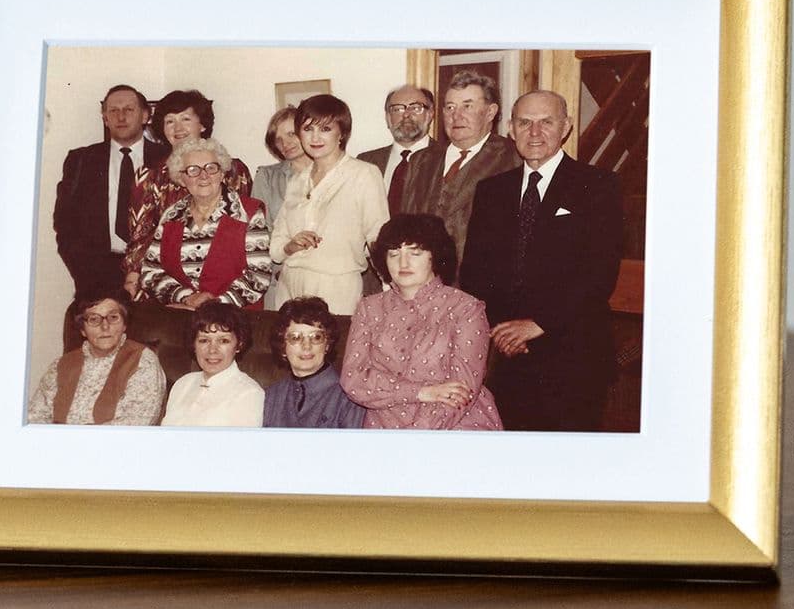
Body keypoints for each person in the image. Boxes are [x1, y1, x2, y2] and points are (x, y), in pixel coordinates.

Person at [457, 91, 627, 432]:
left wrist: (537, 325)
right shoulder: (492, 191)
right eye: (525, 123)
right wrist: (504, 329)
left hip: (573, 357)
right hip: (507, 357)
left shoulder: (598, 186)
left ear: (565, 127)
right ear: (510, 129)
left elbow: (599, 273)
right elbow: (475, 270)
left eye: (546, 122)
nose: (535, 133)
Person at [340, 213, 503, 431]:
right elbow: (353, 381)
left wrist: (414, 438)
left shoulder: (466, 309)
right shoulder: (369, 309)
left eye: (415, 253)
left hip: (455, 427)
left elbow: (462, 392)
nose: (403, 263)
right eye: (394, 254)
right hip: (383, 429)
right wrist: (421, 391)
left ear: (434, 256)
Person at [268, 94, 390, 315]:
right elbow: (276, 249)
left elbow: (378, 236)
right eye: (307, 129)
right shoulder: (297, 180)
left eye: (325, 129)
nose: (315, 137)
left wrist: (392, 285)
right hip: (290, 286)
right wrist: (292, 246)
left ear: (341, 133)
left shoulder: (364, 174)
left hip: (337, 286)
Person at [52, 85, 168, 302]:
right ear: (105, 118)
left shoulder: (166, 158)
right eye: (113, 111)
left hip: (153, 269)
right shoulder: (81, 159)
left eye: (129, 110)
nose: (121, 117)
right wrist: (82, 269)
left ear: (145, 116)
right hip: (95, 273)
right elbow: (64, 220)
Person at [123, 89, 253, 276]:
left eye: (185, 119)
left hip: (222, 273)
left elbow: (242, 228)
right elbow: (140, 237)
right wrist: (133, 277)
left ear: (202, 125)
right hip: (164, 275)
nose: (178, 128)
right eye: (169, 121)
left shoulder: (232, 169)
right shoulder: (149, 176)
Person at [140, 138, 277, 310]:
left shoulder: (248, 213)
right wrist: (185, 297)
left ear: (222, 173)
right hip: (182, 318)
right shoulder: (171, 216)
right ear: (181, 179)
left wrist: (214, 305)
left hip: (234, 321)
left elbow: (259, 276)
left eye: (211, 168)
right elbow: (150, 273)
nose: (203, 176)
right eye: (193, 170)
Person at [416, 70, 519, 260]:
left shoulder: (513, 159)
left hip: (482, 283)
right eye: (450, 107)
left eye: (467, 106)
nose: (456, 116)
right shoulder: (421, 160)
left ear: (490, 112)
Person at [25, 291, 167, 425]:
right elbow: (34, 417)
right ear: (82, 329)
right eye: (94, 319)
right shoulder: (60, 366)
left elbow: (133, 426)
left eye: (113, 317)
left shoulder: (142, 361)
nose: (105, 326)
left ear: (124, 324)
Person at [262, 295, 366, 429]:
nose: (306, 346)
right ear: (283, 346)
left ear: (327, 344)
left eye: (316, 337)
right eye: (295, 338)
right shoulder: (272, 395)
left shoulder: (348, 398)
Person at [159, 304, 265, 427]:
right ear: (194, 345)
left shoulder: (250, 394)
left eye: (223, 341)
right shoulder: (183, 383)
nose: (212, 350)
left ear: (239, 345)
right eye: (204, 340)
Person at [357, 84, 438, 216]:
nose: (406, 114)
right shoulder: (366, 162)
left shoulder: (446, 158)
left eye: (416, 108)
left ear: (429, 115)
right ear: (388, 118)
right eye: (398, 109)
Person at [248, 104, 309, 227]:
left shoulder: (331, 171)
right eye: (278, 140)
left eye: (291, 134)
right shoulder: (266, 177)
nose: (285, 143)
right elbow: (258, 227)